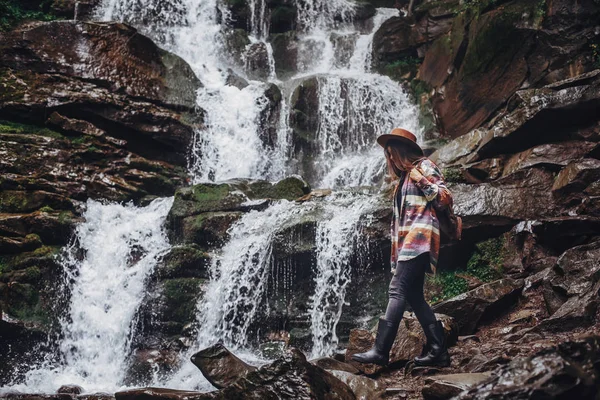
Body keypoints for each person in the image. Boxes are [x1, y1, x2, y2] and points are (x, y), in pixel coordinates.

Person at [351, 128, 452, 367]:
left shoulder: (423, 167)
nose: (390, 160)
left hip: (421, 238)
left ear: (399, 151)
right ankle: (439, 351)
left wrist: (421, 179)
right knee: (415, 296)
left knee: (397, 289)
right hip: (408, 242)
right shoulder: (402, 181)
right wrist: (396, 256)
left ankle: (381, 350)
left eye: (390, 154)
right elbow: (400, 224)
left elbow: (445, 197)